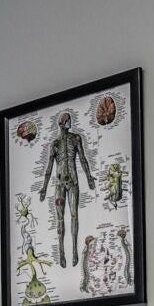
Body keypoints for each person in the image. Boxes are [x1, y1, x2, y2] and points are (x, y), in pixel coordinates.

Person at [36, 110, 94, 268]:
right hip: (60, 184)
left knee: (74, 216)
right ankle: (62, 252)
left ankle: (74, 250)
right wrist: (44, 188)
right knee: (60, 219)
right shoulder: (55, 144)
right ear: (61, 124)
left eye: (70, 120)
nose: (70, 123)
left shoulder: (76, 139)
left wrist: (89, 177)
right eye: (67, 121)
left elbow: (82, 158)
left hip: (73, 182)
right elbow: (48, 168)